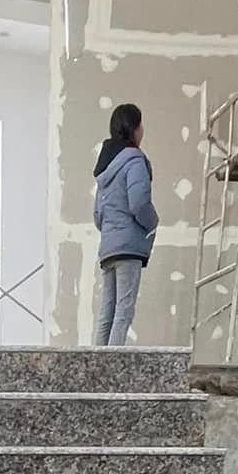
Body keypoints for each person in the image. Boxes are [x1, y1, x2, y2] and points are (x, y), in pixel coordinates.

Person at [92, 103, 158, 346]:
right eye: (141, 125)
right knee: (124, 311)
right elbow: (139, 203)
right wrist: (153, 223)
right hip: (129, 247)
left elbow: (98, 214)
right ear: (134, 128)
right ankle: (112, 366)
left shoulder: (105, 166)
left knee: (106, 314)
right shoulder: (134, 161)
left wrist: (112, 232)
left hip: (108, 247)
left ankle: (96, 365)